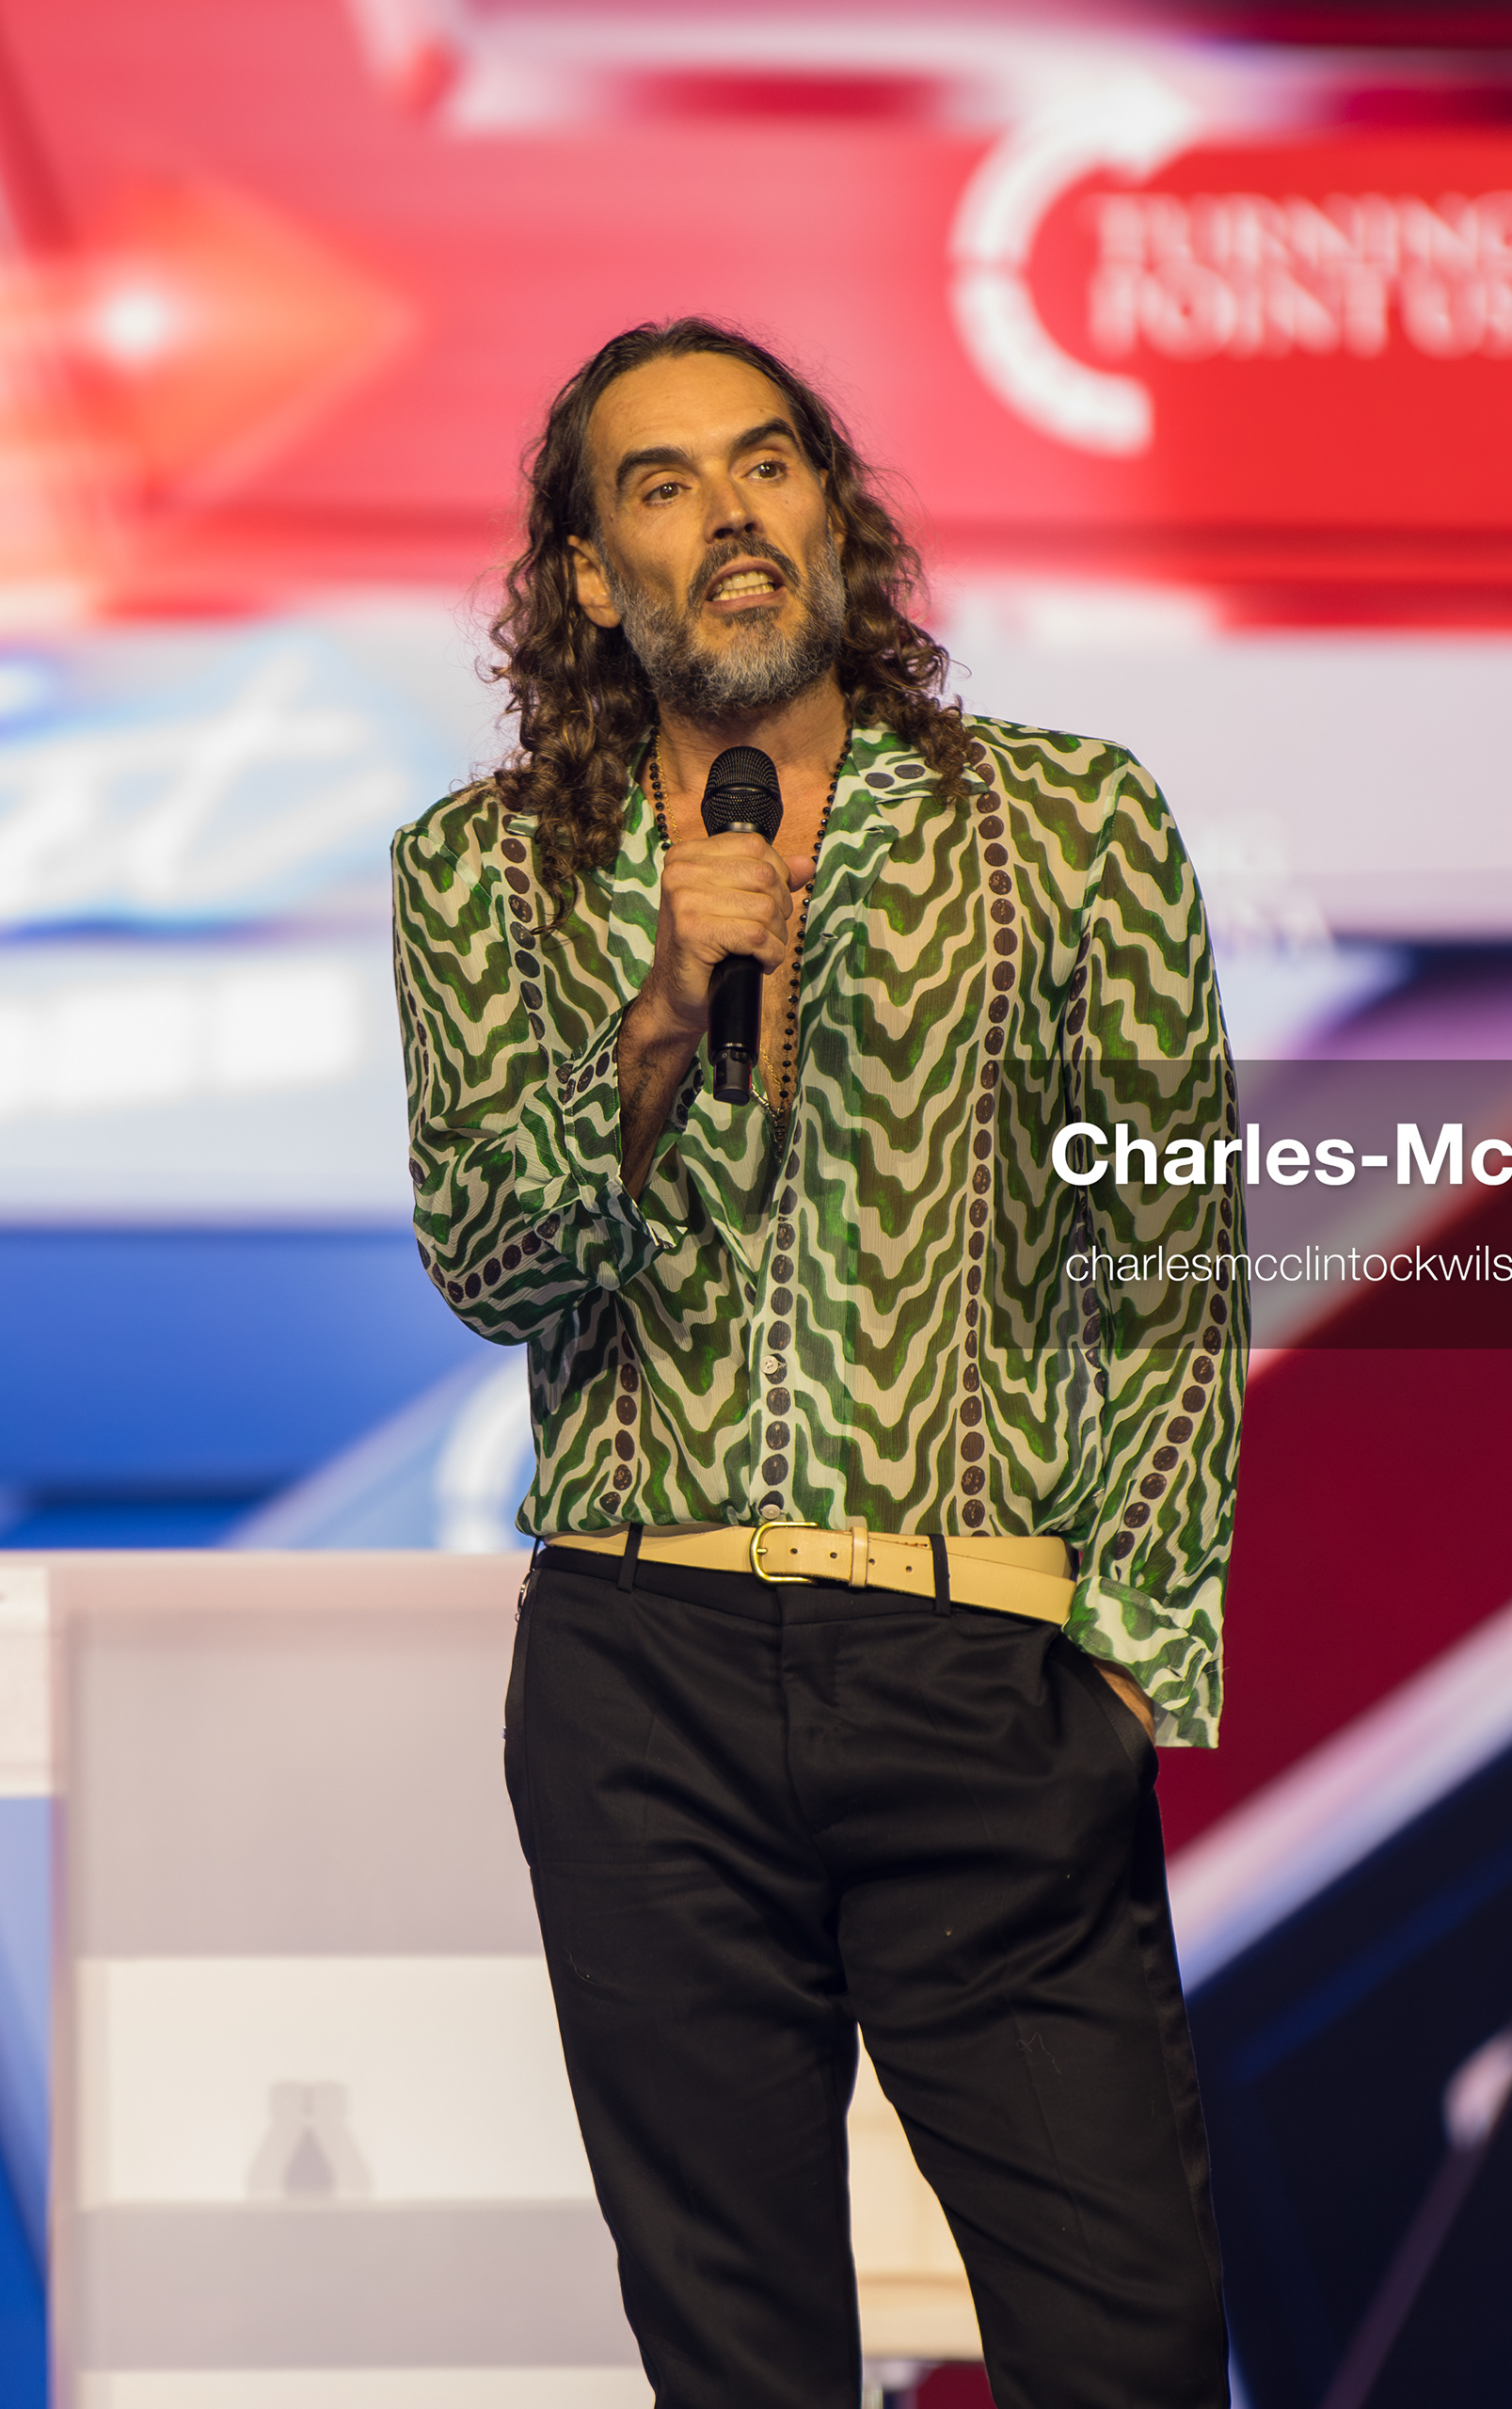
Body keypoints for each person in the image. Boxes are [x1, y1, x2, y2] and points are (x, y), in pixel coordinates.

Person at [389, 318, 1245, 2409]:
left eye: (765, 466)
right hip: (643, 1670)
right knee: (736, 2353)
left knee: (1126, 2344)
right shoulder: (481, 869)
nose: (730, 518)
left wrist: (1130, 1654)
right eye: (661, 487)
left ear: (833, 509)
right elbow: (495, 1264)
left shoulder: (1068, 824)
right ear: (592, 576)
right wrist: (669, 1017)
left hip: (979, 1667)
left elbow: (1167, 1255)